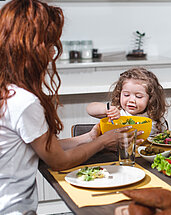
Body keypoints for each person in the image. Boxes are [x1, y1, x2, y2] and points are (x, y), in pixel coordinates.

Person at [0, 0, 139, 214]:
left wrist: (89, 138)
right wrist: (102, 142)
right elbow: (58, 161)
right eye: (49, 44)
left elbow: (43, 147)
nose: (52, 52)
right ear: (32, 47)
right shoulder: (23, 102)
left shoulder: (8, 91)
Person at [87, 68, 169, 136]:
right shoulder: (118, 113)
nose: (131, 100)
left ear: (151, 99)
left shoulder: (156, 118)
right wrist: (106, 109)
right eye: (126, 95)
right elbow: (90, 109)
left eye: (138, 96)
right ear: (120, 94)